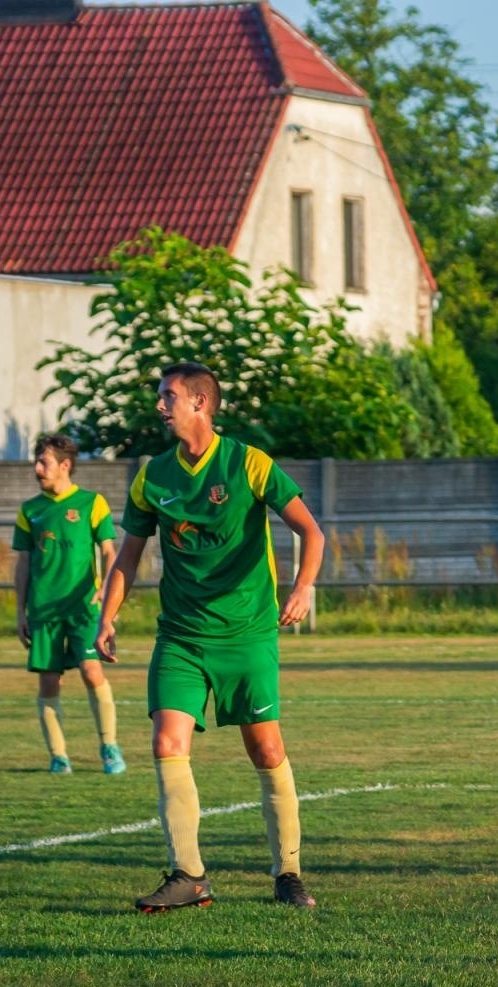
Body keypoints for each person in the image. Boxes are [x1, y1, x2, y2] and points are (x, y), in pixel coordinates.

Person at [96, 362, 326, 911]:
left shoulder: (248, 463)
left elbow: (311, 531)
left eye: (168, 396)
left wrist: (302, 588)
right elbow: (129, 553)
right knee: (165, 742)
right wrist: (107, 615)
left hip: (247, 633)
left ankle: (288, 874)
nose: (160, 406)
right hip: (180, 635)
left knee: (265, 748)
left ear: (200, 403)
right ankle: (189, 875)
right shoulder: (154, 475)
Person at [12, 433, 126, 775]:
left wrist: (106, 593)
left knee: (92, 672)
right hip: (44, 611)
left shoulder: (93, 503)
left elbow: (109, 552)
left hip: (82, 608)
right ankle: (58, 755)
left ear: (65, 465)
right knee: (49, 682)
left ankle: (109, 747)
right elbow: (23, 564)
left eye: (43, 461)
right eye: (37, 460)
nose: (37, 468)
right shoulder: (29, 510)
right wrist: (20, 611)